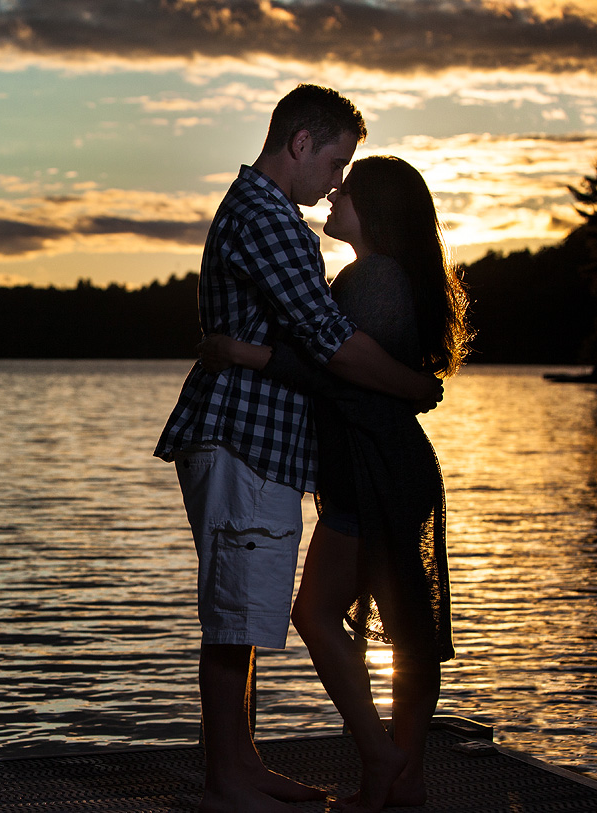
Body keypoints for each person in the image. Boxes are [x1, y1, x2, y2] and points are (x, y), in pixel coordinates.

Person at [154, 84, 442, 813]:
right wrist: (413, 384)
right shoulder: (270, 220)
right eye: (336, 161)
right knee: (235, 616)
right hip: (244, 442)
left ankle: (242, 766)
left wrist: (247, 353)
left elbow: (319, 345)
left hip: (262, 446)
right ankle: (234, 777)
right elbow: (333, 347)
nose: (338, 179)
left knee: (244, 615)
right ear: (301, 144)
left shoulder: (272, 217)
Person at [203, 155, 470, 812]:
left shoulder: (373, 278)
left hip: (374, 472)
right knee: (405, 624)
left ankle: (387, 762)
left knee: (317, 614)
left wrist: (247, 352)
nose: (333, 194)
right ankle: (405, 776)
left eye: (347, 190)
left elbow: (336, 367)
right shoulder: (385, 277)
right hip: (380, 468)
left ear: (373, 209)